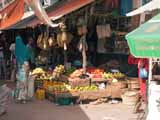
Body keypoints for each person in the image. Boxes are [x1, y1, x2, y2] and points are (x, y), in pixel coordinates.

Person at [14, 35, 31, 104]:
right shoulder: (25, 48)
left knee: (19, 82)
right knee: (24, 82)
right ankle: (23, 98)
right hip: (25, 65)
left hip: (19, 67)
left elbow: (16, 59)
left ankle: (19, 97)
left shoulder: (16, 49)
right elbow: (28, 56)